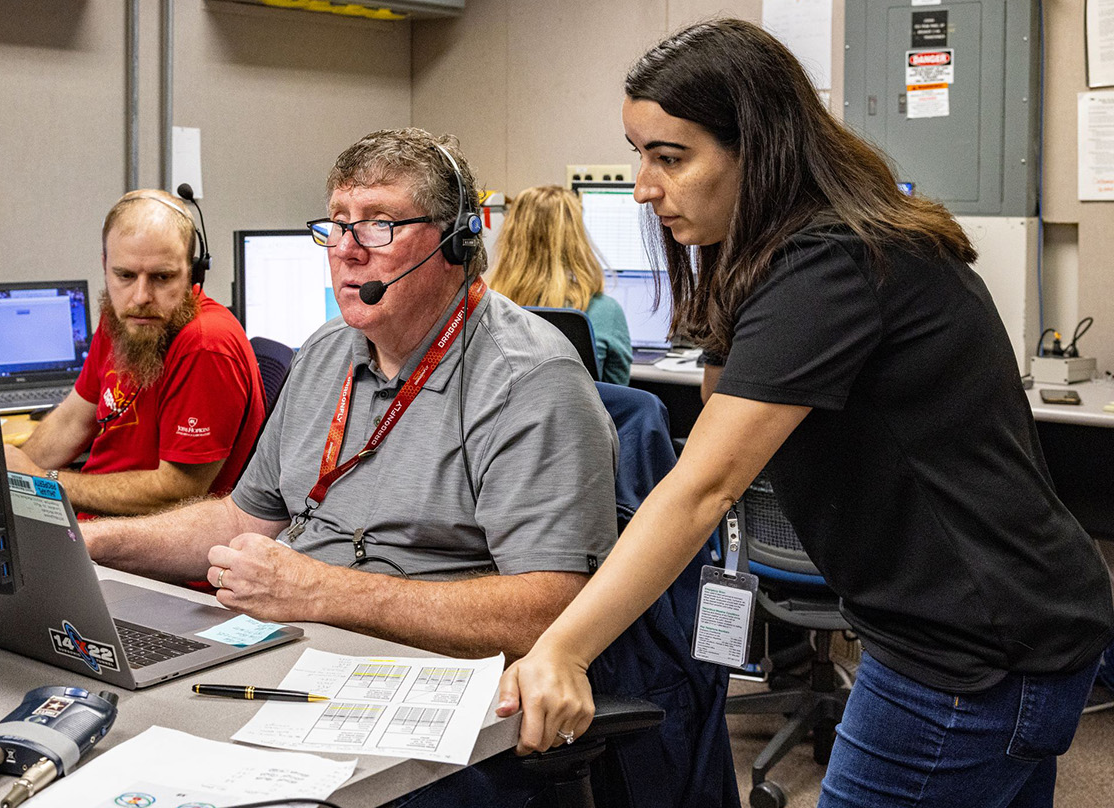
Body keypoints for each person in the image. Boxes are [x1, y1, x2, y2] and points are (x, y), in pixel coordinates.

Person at [498, 19, 1114, 808]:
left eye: (670, 157)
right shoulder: (805, 254)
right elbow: (728, 417)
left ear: (759, 150)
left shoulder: (830, 263)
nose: (645, 186)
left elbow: (706, 485)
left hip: (969, 656)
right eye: (639, 153)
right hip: (1011, 627)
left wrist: (564, 649)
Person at [80, 128, 618, 661]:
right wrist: (92, 544)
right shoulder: (325, 350)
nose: (346, 251)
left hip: (419, 672)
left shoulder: (528, 379)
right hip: (292, 645)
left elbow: (551, 610)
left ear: (456, 241)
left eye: (378, 225)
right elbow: (241, 521)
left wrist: (320, 592)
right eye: (337, 225)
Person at [4, 189, 265, 517]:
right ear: (105, 266)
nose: (140, 296)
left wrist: (43, 482)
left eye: (162, 277)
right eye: (125, 275)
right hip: (91, 523)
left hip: (142, 547)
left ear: (193, 273)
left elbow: (178, 492)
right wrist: (7, 486)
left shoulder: (205, 346)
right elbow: (72, 421)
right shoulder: (122, 318)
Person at [487, 185, 634, 384]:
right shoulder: (606, 312)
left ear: (511, 237)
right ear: (577, 240)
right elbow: (619, 396)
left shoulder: (485, 310)